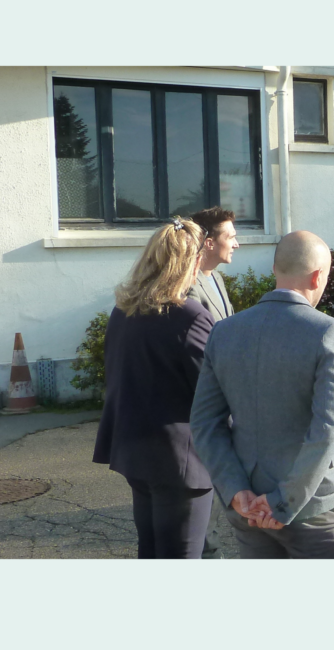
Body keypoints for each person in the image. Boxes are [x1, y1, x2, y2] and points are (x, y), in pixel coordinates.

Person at [189, 231, 334, 559]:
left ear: (275, 269)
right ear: (317, 277)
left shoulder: (224, 331)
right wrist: (282, 501)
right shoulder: (330, 332)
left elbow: (204, 423)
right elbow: (326, 432)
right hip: (313, 510)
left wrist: (235, 490)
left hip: (248, 510)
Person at [93, 218, 215, 559]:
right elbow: (212, 393)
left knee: (149, 551)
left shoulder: (123, 310)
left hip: (134, 451)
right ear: (187, 263)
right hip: (181, 462)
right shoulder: (190, 315)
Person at [186, 206, 239, 559]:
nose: (236, 244)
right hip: (200, 409)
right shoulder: (188, 289)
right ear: (208, 242)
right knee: (201, 500)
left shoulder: (216, 279)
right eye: (230, 237)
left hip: (223, 405)